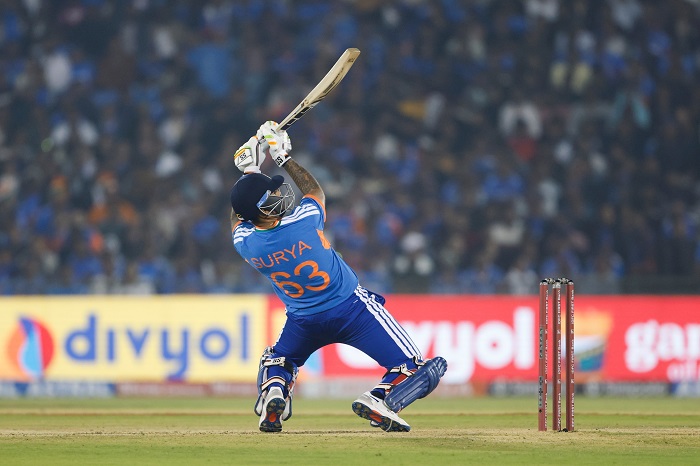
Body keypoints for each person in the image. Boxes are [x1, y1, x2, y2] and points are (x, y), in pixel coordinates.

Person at [229, 121, 447, 433]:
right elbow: (314, 190)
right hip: (352, 309)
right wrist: (281, 157)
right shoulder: (304, 222)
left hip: (303, 320)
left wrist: (249, 172)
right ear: (261, 208)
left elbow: (238, 217)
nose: (278, 193)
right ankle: (380, 399)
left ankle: (274, 390)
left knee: (279, 361)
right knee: (417, 368)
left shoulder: (247, 245)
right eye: (270, 195)